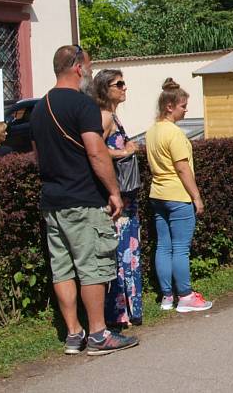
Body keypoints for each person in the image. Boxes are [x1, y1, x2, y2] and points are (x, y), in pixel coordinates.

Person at [29, 45, 138, 356]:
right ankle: (99, 334)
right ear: (77, 68)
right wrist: (114, 192)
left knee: (62, 268)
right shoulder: (83, 105)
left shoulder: (39, 107)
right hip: (84, 198)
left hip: (52, 200)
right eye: (88, 67)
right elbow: (95, 151)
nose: (90, 72)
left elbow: (39, 155)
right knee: (92, 266)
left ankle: (73, 334)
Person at [145, 78, 212, 313]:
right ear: (169, 107)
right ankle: (185, 295)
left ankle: (166, 296)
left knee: (163, 246)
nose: (186, 110)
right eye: (183, 106)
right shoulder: (174, 134)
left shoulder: (152, 132)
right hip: (178, 195)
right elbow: (182, 168)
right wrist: (197, 197)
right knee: (181, 248)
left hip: (158, 194)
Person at [91, 69, 143, 328]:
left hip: (127, 198)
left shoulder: (113, 115)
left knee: (128, 251)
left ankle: (129, 310)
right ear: (104, 89)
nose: (124, 88)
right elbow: (95, 149)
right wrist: (124, 151)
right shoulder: (104, 116)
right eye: (118, 84)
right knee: (121, 253)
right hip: (117, 199)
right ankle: (118, 312)